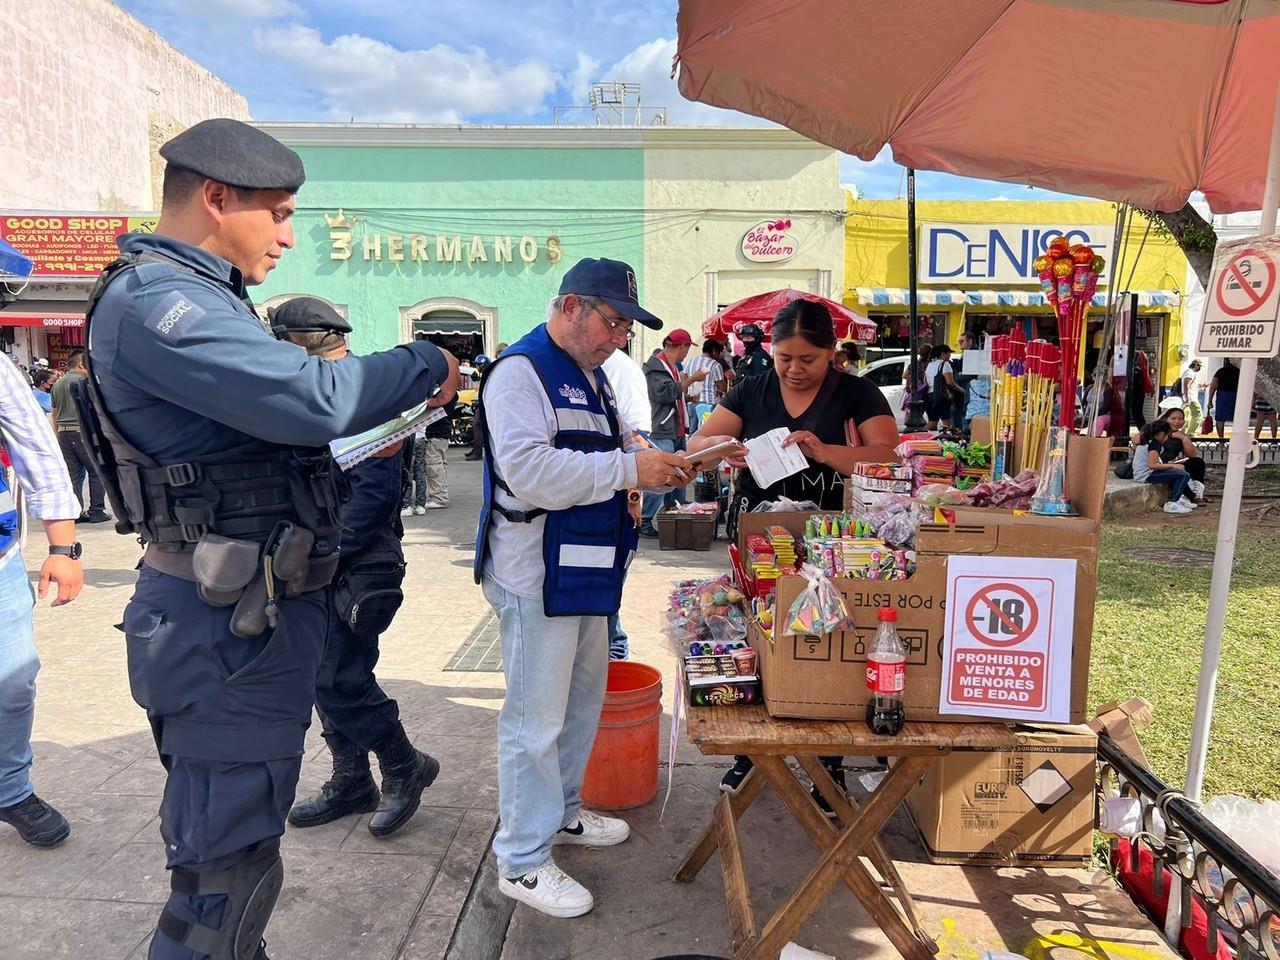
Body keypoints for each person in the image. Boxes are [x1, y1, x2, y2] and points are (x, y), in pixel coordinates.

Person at [82, 119, 457, 960]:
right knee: (220, 883)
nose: (290, 235)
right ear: (216, 198)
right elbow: (312, 399)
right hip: (223, 627)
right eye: (279, 213)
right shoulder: (158, 301)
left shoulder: (206, 293)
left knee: (243, 856)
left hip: (252, 614)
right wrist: (427, 363)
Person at [474, 257, 694, 919]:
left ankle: (563, 813)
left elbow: (609, 444)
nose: (619, 337)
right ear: (571, 306)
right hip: (533, 570)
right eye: (612, 320)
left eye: (626, 326)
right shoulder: (522, 371)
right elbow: (531, 472)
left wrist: (661, 460)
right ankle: (521, 860)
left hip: (586, 566)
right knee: (533, 721)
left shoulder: (591, 375)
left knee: (579, 704)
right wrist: (629, 466)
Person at [689, 299, 900, 814]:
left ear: (832, 353)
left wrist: (825, 451)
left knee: (825, 637)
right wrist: (725, 446)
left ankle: (827, 758)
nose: (794, 369)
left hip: (830, 539)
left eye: (808, 359)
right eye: (785, 357)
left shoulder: (856, 391)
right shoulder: (753, 388)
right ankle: (752, 751)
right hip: (757, 532)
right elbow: (699, 440)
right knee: (754, 633)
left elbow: (888, 456)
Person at [270, 298, 439, 839]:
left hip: (355, 566)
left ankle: (402, 764)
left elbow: (371, 498)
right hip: (316, 562)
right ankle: (351, 778)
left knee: (339, 677)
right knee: (320, 676)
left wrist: (322, 557)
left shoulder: (363, 399)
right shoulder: (321, 395)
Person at [0, 357, 84, 848]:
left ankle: (10, 789)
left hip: (2, 558)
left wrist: (63, 547)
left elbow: (37, 448)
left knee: (12, 681)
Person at [600, 342, 653, 662]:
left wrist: (634, 498)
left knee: (608, 586)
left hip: (615, 502)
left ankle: (614, 658)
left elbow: (637, 442)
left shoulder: (619, 369)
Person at [640, 328, 703, 537]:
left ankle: (675, 515)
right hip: (662, 430)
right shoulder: (656, 368)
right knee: (662, 477)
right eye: (687, 348)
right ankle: (646, 520)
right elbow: (664, 394)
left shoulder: (670, 367)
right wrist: (691, 380)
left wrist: (688, 399)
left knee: (681, 475)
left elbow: (673, 396)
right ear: (682, 346)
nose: (687, 353)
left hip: (674, 430)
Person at [48, 348, 110, 523]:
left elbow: (54, 412)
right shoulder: (85, 381)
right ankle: (97, 510)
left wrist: (57, 433)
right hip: (82, 433)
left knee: (73, 474)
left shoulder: (57, 384)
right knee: (97, 471)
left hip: (63, 433)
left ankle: (75, 512)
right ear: (81, 364)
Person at [1132, 419, 1197, 514]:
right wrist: (1174, 466)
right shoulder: (1153, 445)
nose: (1167, 438)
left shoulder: (1150, 442)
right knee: (1183, 475)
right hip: (1146, 475)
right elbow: (1152, 465)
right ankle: (1172, 502)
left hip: (1148, 473)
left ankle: (1178, 499)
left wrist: (1172, 465)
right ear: (1162, 434)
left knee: (1178, 474)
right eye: (1167, 435)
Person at [402, 401, 453, 514]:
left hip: (415, 436)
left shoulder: (418, 397)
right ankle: (420, 504)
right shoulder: (444, 396)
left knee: (410, 470)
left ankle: (407, 505)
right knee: (421, 471)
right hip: (424, 437)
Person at [685, 339, 727, 428]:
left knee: (693, 431)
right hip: (708, 404)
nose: (719, 356)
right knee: (706, 431)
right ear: (714, 351)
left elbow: (684, 378)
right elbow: (723, 387)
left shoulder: (690, 361)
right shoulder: (715, 365)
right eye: (718, 352)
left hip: (692, 402)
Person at [924, 345, 963, 430]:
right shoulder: (945, 364)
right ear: (943, 354)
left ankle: (920, 436)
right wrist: (961, 390)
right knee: (947, 423)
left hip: (930, 395)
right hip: (941, 396)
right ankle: (948, 440)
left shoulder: (930, 364)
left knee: (933, 422)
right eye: (949, 353)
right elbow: (950, 382)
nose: (950, 356)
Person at [464, 353, 492, 462]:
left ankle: (477, 451)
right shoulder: (482, 375)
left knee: (477, 425)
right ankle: (476, 449)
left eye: (479, 365)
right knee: (476, 425)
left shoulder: (488, 374)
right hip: (481, 402)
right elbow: (478, 390)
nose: (477, 368)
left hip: (485, 404)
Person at [1208, 359, 1240, 439]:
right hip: (1237, 395)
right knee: (1238, 418)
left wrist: (1210, 400)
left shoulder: (1220, 371)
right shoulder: (1239, 371)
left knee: (1220, 419)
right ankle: (1236, 439)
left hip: (1223, 395)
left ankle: (1221, 439)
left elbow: (1213, 386)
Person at [951, 332, 977, 430]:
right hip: (962, 389)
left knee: (964, 413)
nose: (960, 344)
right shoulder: (966, 353)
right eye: (959, 341)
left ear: (969, 341)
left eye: (962, 341)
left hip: (968, 389)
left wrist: (957, 376)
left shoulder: (973, 353)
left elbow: (971, 373)